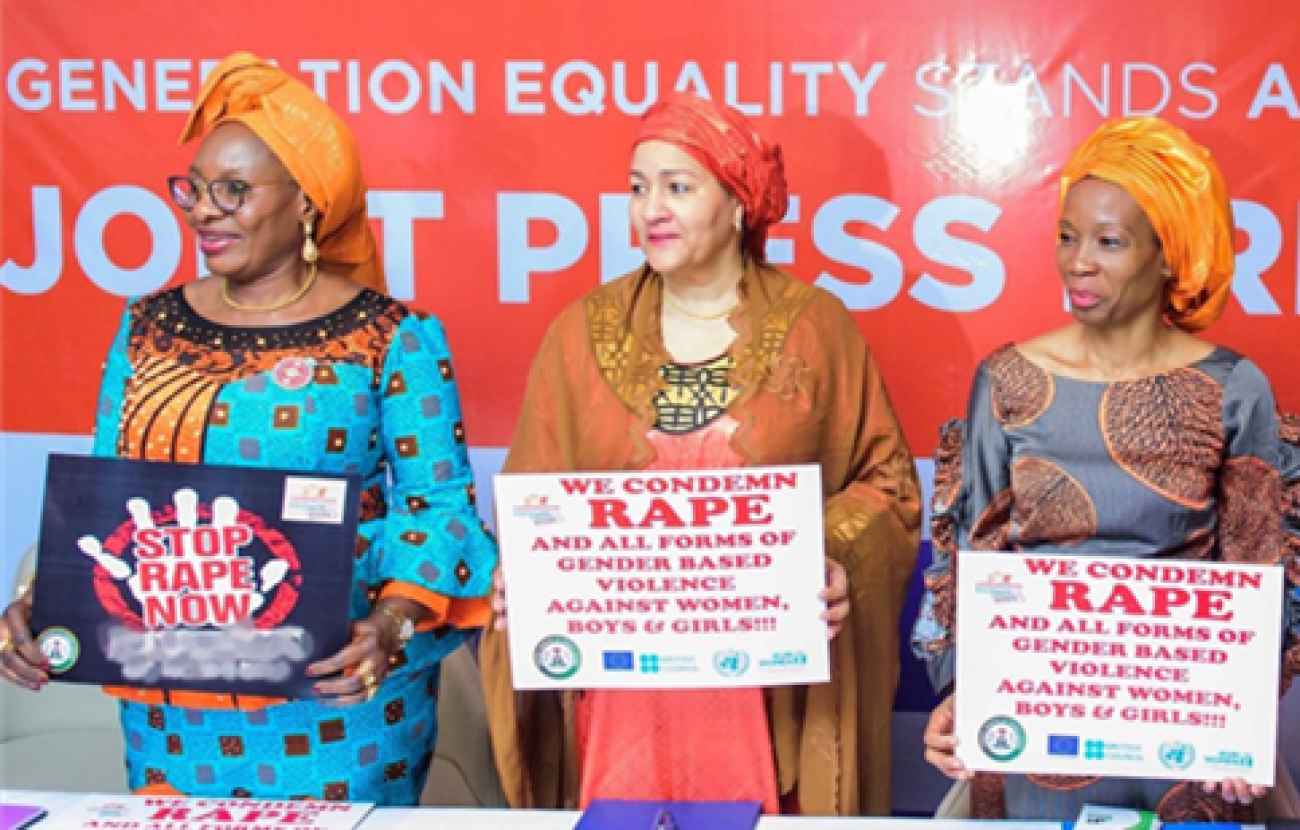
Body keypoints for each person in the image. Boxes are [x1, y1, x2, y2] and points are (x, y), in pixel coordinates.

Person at [0, 52, 497, 805]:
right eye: (194, 190)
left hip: (340, 703)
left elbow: (441, 508)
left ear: (306, 203)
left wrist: (391, 626)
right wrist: (45, 601)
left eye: (232, 191)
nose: (203, 212)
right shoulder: (145, 325)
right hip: (172, 706)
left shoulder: (391, 337)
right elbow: (104, 500)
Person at [480, 93, 922, 816]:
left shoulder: (815, 329)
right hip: (621, 688)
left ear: (740, 203)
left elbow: (888, 487)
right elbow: (532, 498)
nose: (650, 208)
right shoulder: (579, 333)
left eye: (678, 187)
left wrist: (837, 556)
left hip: (765, 689)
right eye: (637, 186)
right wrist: (521, 578)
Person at [911, 116, 1300, 822]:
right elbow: (972, 556)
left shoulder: (1234, 388)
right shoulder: (1007, 380)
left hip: (1186, 743)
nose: (1077, 262)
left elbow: (1261, 574)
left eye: (1109, 242)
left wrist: (1243, 721)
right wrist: (961, 693)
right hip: (1033, 736)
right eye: (1067, 235)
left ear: (1169, 256)